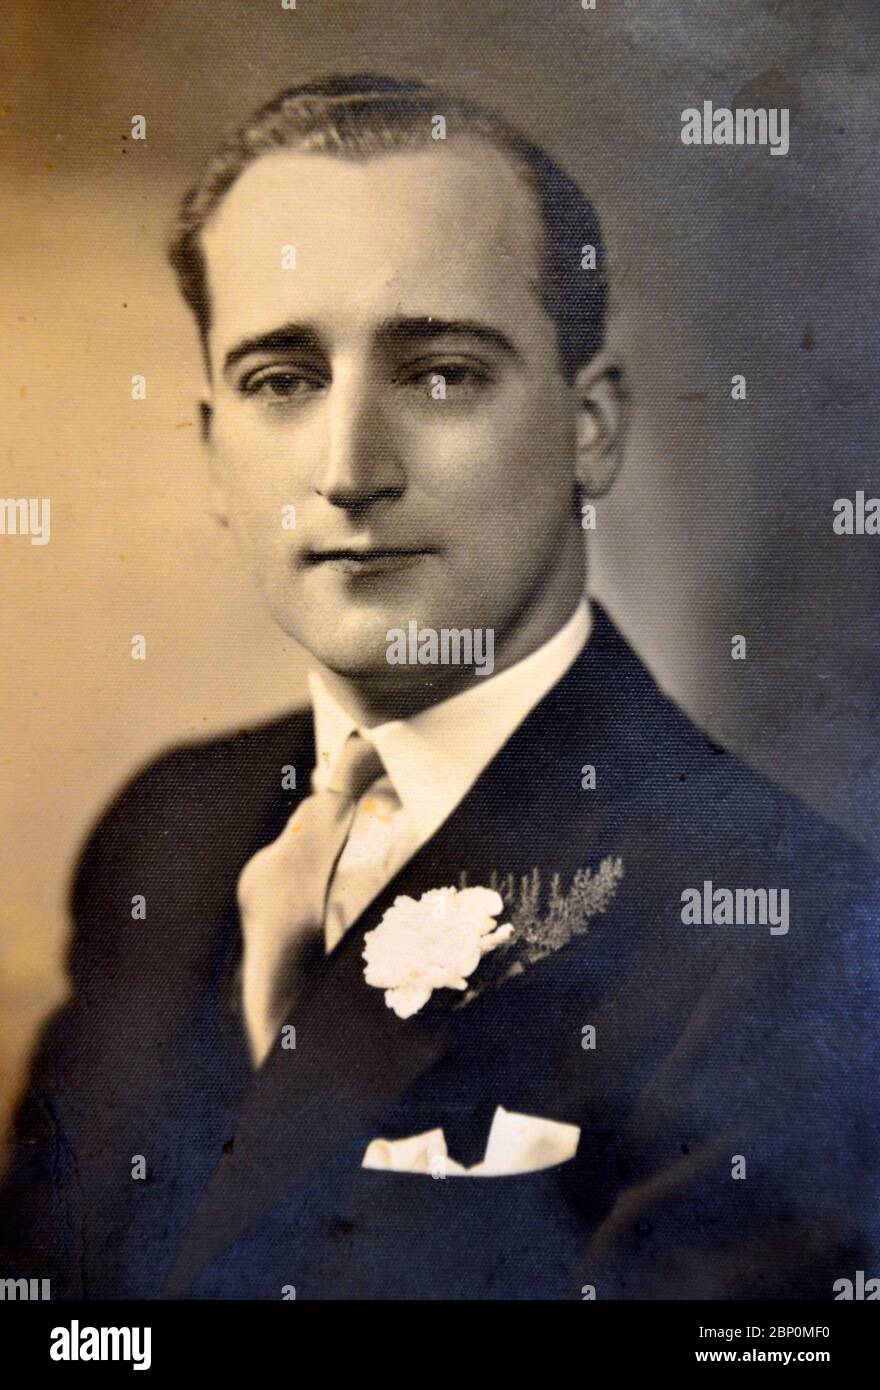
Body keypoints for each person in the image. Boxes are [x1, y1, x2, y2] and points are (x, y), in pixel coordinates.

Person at [1, 73, 877, 1301]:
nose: (350, 468)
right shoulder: (166, 829)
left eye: (442, 373)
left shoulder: (797, 940)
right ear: (209, 450)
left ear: (591, 430)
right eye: (280, 380)